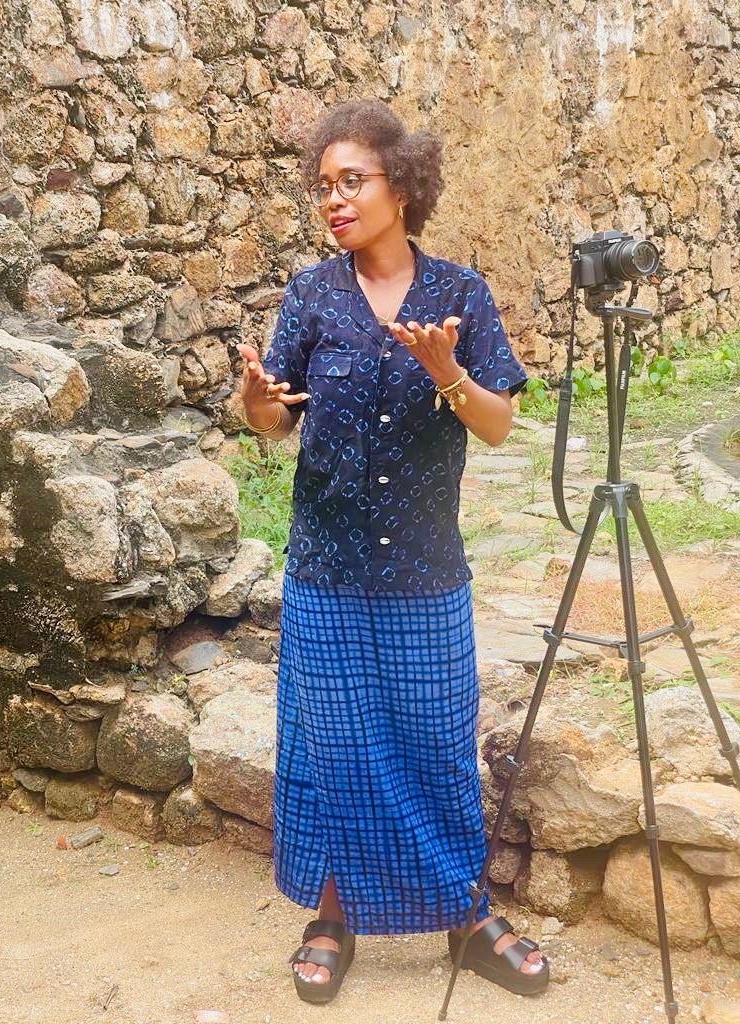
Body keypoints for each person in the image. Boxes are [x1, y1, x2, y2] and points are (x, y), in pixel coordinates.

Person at [236, 98, 549, 1006]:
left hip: (424, 572)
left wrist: (447, 372)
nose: (334, 201)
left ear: (401, 185)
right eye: (322, 187)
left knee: (436, 746)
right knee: (328, 747)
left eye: (352, 182)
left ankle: (467, 920)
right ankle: (332, 917)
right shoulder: (311, 296)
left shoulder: (460, 295)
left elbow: (496, 426)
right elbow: (272, 423)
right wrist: (256, 400)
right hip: (327, 570)